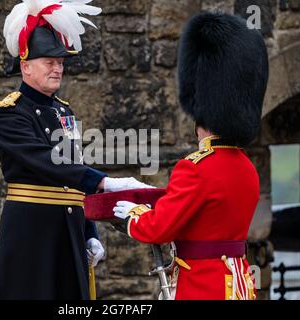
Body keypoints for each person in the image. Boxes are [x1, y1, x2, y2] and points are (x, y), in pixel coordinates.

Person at [0, 0, 151, 300]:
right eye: (49, 61)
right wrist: (105, 182)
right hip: (32, 232)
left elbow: (73, 175)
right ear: (25, 66)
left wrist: (90, 231)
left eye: (61, 62)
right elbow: (47, 162)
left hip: (69, 229)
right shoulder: (11, 114)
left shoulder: (63, 112)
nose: (57, 68)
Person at [113, 12, 269, 300]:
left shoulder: (195, 168)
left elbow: (159, 228)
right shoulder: (247, 168)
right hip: (239, 284)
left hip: (203, 286)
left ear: (201, 119)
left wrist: (133, 217)